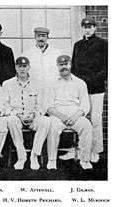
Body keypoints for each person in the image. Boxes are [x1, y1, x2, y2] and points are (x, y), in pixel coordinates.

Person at [2, 57, 50, 170]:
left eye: (24, 66)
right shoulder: (7, 84)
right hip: (17, 117)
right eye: (19, 66)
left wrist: (34, 114)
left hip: (33, 116)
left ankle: (34, 155)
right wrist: (17, 114)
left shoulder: (38, 83)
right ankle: (21, 155)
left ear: (29, 67)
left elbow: (42, 105)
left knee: (46, 121)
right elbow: (4, 104)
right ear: (15, 67)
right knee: (11, 120)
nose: (22, 69)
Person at [71, 16, 108, 163]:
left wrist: (92, 80)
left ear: (95, 28)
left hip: (96, 88)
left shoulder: (103, 44)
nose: (87, 29)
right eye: (85, 27)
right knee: (81, 119)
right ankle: (81, 149)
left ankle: (96, 150)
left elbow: (106, 68)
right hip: (81, 89)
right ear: (82, 28)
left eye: (90, 27)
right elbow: (74, 67)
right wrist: (78, 84)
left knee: (95, 119)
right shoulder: (78, 45)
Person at [46, 55, 93, 170]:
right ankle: (52, 160)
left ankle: (85, 159)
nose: (63, 67)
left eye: (66, 64)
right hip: (57, 115)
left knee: (87, 126)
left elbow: (85, 105)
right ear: (57, 66)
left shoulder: (80, 83)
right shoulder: (52, 83)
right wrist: (61, 116)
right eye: (61, 65)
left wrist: (76, 116)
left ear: (70, 65)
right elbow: (48, 106)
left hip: (75, 114)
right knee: (52, 127)